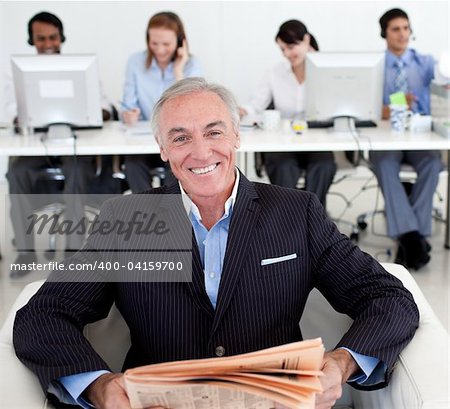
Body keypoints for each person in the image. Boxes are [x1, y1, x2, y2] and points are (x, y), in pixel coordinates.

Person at [13, 78, 419, 409]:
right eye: (181, 137)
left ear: (236, 136)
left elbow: (388, 298)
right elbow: (43, 315)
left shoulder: (297, 213)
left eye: (214, 132)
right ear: (162, 149)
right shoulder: (127, 222)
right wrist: (99, 386)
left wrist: (339, 363)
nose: (201, 151)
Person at [5, 11, 113, 278]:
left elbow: (105, 103)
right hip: (39, 142)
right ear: (32, 41)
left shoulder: (79, 68)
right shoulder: (18, 72)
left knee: (76, 172)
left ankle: (73, 253)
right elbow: (7, 108)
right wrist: (21, 115)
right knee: (18, 173)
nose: (48, 43)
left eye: (53, 37)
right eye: (41, 39)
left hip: (74, 141)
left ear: (61, 37)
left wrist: (102, 112)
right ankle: (26, 251)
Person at [369, 8, 443, 270]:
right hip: (386, 136)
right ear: (385, 34)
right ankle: (416, 238)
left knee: (432, 164)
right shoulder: (375, 67)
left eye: (406, 28)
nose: (403, 34)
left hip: (419, 134)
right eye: (396, 29)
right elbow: (368, 106)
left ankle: (410, 236)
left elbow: (440, 85)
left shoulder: (425, 62)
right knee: (385, 164)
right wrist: (394, 106)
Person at [240, 20, 336, 208]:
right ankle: (287, 223)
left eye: (291, 47)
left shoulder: (327, 70)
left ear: (306, 40)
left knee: (323, 166)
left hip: (317, 139)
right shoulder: (274, 73)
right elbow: (256, 104)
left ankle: (313, 221)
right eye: (282, 49)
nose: (287, 54)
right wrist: (242, 110)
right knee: (283, 167)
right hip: (284, 139)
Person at [121, 11, 203, 193]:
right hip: (143, 142)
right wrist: (128, 115)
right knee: (133, 165)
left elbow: (193, 109)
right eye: (154, 43)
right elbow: (127, 105)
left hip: (177, 142)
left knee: (176, 169)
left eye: (166, 44)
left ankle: (171, 216)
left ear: (181, 41)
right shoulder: (135, 62)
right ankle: (147, 216)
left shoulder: (191, 65)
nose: (159, 50)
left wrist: (178, 72)